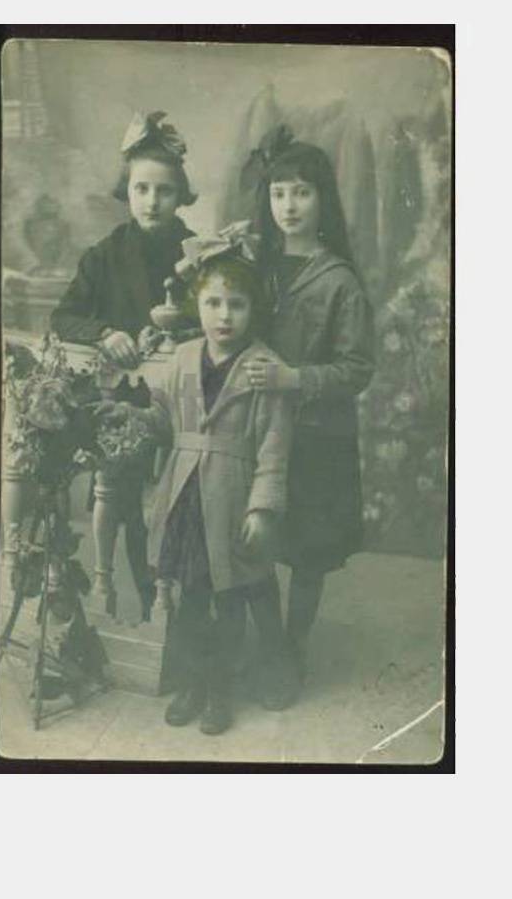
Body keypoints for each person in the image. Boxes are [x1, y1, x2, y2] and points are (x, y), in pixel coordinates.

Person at [120, 242, 293, 735]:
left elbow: (274, 448)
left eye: (237, 304)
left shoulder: (264, 366)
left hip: (232, 500)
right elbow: (164, 420)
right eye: (213, 303)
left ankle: (220, 690)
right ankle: (193, 682)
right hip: (186, 496)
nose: (224, 316)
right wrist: (134, 418)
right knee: (190, 599)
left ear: (253, 309)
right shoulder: (183, 357)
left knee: (229, 600)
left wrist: (261, 508)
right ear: (196, 304)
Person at [242, 126, 376, 696]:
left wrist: (294, 378)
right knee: (251, 538)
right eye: (278, 193)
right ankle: (268, 641)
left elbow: (358, 368)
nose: (289, 206)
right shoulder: (255, 265)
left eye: (301, 192)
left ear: (323, 199)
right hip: (255, 429)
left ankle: (291, 649)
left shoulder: (338, 280)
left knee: (306, 550)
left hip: (317, 436)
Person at [50, 111, 198, 618]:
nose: (152, 201)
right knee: (127, 499)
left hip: (183, 401)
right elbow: (64, 316)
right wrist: (104, 334)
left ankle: (178, 608)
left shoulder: (198, 253)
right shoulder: (105, 255)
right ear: (127, 192)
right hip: (127, 404)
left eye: (164, 191)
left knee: (175, 503)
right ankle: (135, 602)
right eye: (141, 189)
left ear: (181, 194)